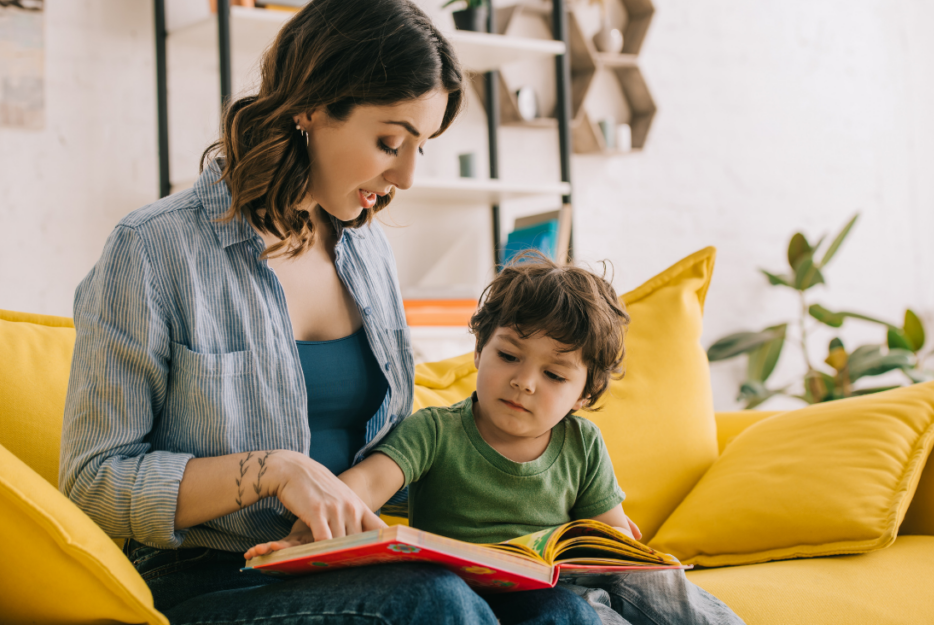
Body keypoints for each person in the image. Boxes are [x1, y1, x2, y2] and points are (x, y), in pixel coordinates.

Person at [60, 0, 599, 625]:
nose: (405, 176)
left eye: (419, 148)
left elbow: (403, 444)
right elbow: (93, 482)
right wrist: (273, 470)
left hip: (351, 561)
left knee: (559, 610)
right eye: (389, 143)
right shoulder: (153, 250)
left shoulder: (367, 253)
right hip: (207, 575)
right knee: (433, 603)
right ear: (313, 105)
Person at [246, 254, 746, 625]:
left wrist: (633, 551)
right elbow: (361, 486)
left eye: (554, 375)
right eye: (509, 356)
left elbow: (608, 539)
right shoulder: (435, 431)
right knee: (579, 615)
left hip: (554, 584)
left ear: (583, 393)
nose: (525, 381)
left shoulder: (582, 443)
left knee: (649, 586)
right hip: (467, 594)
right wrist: (306, 531)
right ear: (481, 349)